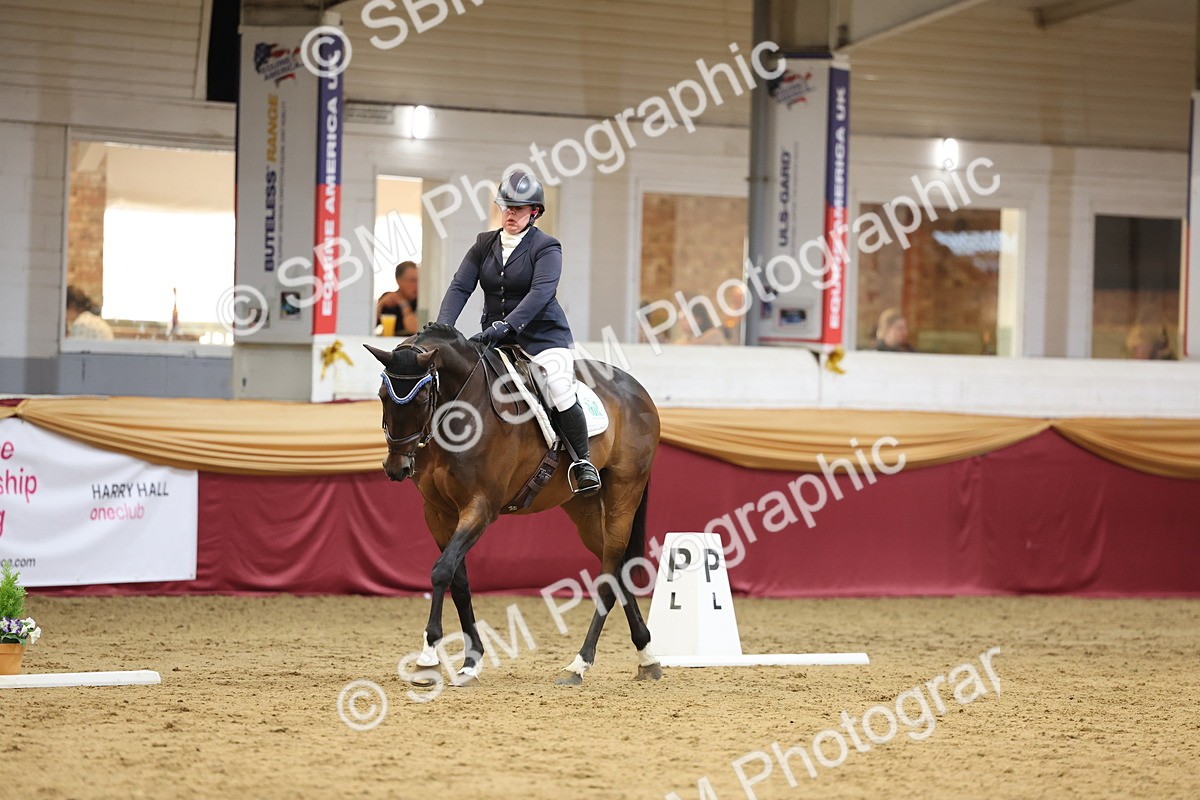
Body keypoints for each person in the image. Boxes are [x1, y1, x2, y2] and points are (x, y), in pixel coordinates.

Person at [437, 170, 601, 495]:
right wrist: (443, 327)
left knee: (558, 386)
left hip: (542, 339)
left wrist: (506, 325)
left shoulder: (547, 247)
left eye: (519, 208)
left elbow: (540, 294)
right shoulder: (484, 244)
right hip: (496, 340)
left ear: (534, 212)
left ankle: (583, 462)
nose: (511, 213)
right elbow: (460, 286)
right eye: (506, 206)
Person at [376, 261, 419, 335]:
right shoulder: (389, 299)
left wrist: (403, 304)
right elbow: (367, 326)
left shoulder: (421, 302)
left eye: (418, 280)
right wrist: (381, 304)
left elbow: (414, 330)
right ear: (399, 280)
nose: (417, 285)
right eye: (412, 281)